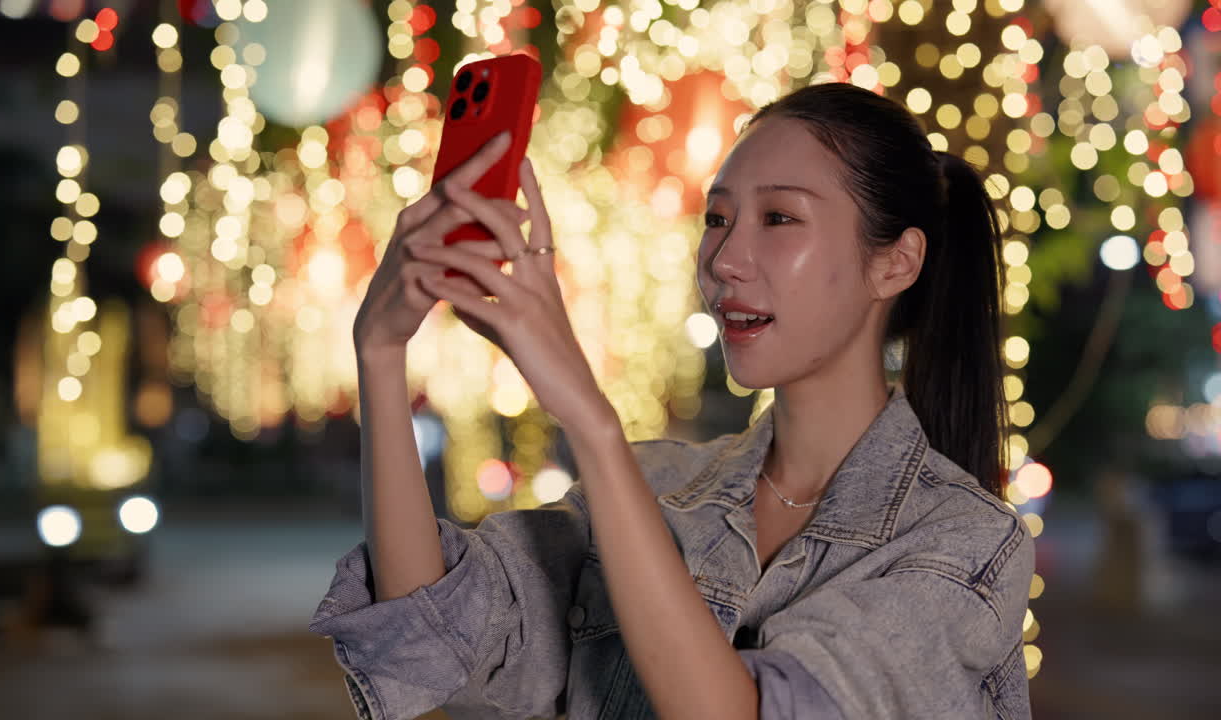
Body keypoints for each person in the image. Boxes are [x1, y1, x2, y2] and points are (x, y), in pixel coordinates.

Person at [310, 81, 1035, 720]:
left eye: (779, 219)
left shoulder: (964, 543)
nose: (725, 262)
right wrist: (381, 352)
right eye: (717, 219)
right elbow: (431, 635)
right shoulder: (657, 489)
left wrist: (590, 420)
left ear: (896, 262)